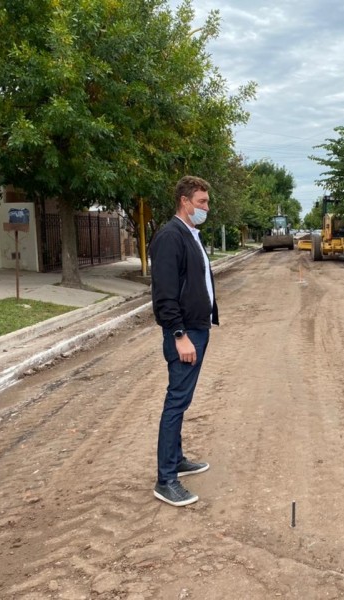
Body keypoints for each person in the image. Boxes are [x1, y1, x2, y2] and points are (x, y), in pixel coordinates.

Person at [149, 175, 218, 507]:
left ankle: (176, 459)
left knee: (182, 400)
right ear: (184, 201)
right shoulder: (170, 237)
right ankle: (166, 479)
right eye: (201, 202)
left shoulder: (191, 235)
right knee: (176, 402)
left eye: (206, 202)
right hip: (185, 333)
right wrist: (179, 335)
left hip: (197, 329)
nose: (206, 208)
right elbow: (164, 295)